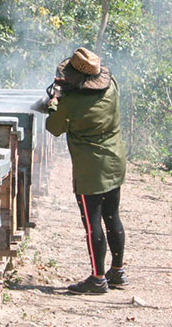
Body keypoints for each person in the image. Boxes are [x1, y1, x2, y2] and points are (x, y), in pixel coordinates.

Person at [40, 47, 128, 295]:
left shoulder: (70, 104)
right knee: (113, 216)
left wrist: (55, 103)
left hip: (91, 171)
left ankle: (98, 279)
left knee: (92, 224)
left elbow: (54, 127)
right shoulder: (113, 88)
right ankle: (117, 271)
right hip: (115, 163)